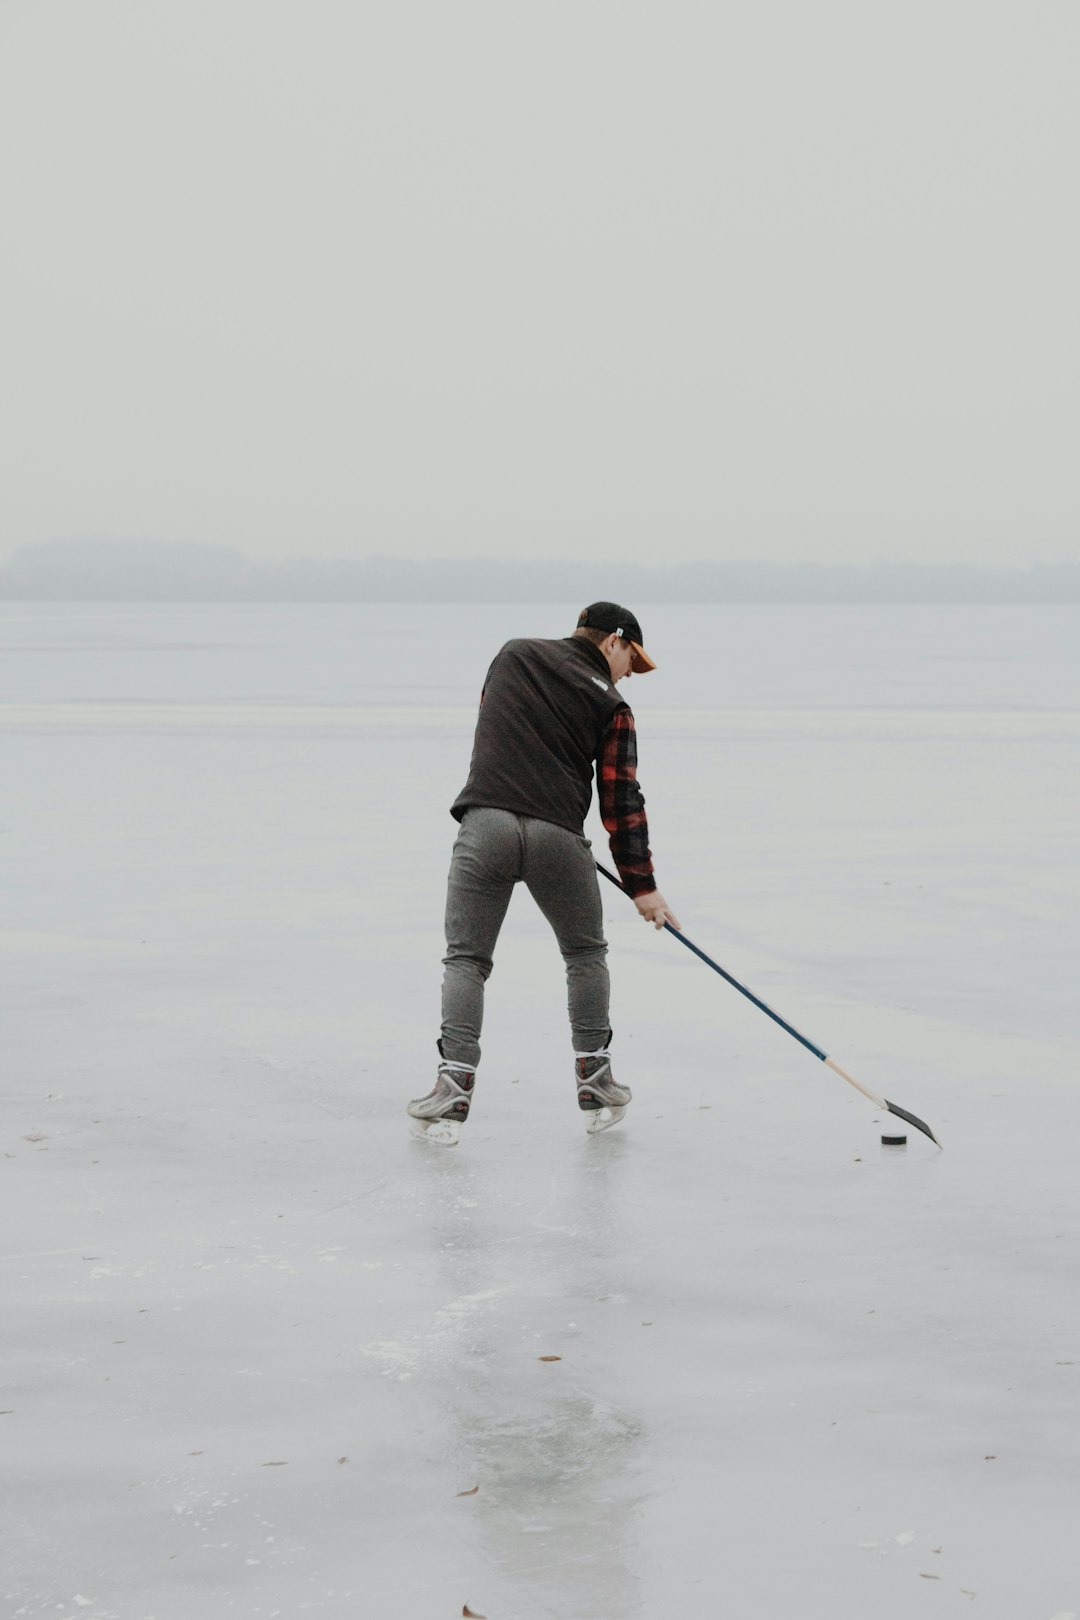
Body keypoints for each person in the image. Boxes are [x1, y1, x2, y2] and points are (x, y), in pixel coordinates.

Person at [407, 601, 680, 1143]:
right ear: (612, 642)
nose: (631, 674)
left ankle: (453, 1086)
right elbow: (621, 800)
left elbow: (495, 724)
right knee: (584, 954)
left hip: (485, 825)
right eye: (632, 660)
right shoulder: (615, 707)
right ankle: (596, 1081)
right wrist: (642, 886)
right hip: (558, 838)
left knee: (467, 959)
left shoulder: (513, 656)